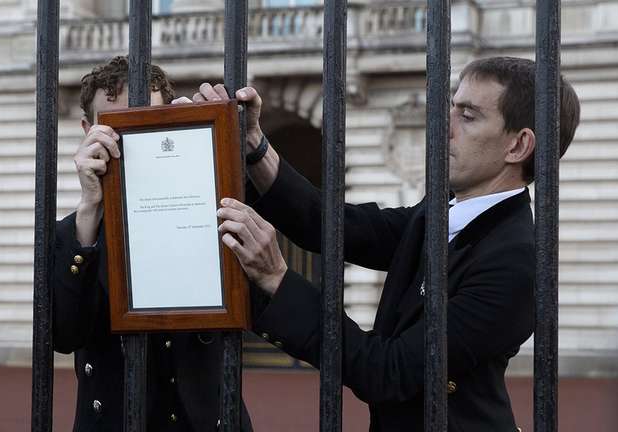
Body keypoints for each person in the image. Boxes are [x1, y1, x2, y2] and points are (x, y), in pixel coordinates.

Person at [201, 56, 581, 431]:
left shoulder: (515, 261)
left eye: (467, 116)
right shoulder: (440, 212)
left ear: (517, 147)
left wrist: (276, 277)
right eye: (451, 108)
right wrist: (254, 147)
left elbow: (388, 372)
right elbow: (337, 227)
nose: (442, 125)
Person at [52, 56, 252, 432]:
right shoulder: (73, 233)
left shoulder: (211, 202)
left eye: (142, 121)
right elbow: (64, 335)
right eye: (114, 127)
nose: (128, 141)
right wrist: (90, 209)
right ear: (87, 130)